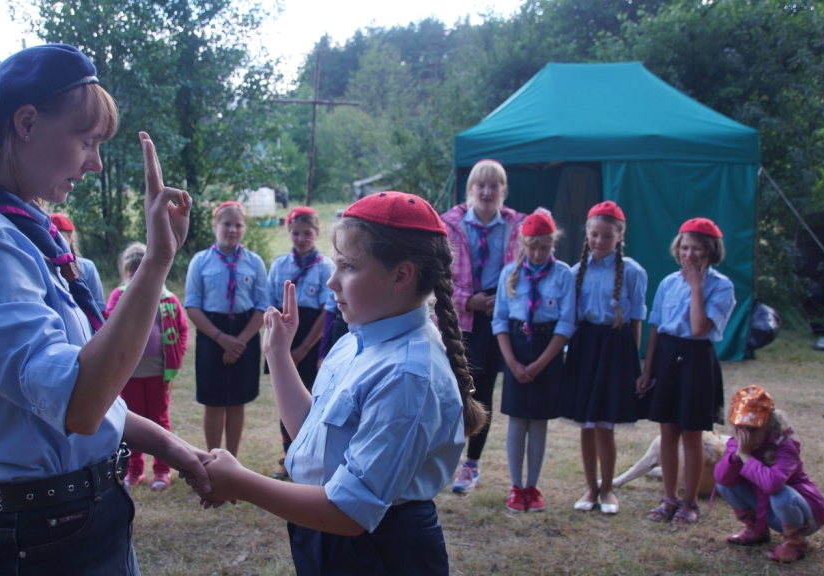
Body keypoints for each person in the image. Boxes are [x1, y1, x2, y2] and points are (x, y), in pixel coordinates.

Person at [0, 43, 211, 574]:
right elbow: (78, 403)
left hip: (75, 518)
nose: (95, 162)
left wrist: (171, 447)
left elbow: (73, 398)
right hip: (42, 538)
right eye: (85, 141)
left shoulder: (25, 235)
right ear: (26, 123)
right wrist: (158, 260)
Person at [190, 191, 488, 575]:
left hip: (378, 550)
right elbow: (313, 435)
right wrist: (278, 355)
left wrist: (242, 483)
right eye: (335, 264)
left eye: (348, 266)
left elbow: (350, 511)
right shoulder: (357, 339)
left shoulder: (408, 377)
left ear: (400, 275)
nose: (332, 281)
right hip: (330, 529)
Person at [637, 217, 736, 524]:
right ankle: (669, 498)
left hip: (697, 358)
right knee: (667, 430)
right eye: (684, 248)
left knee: (692, 433)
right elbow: (655, 329)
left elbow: (698, 328)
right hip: (667, 356)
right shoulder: (668, 283)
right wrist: (647, 370)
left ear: (710, 251)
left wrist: (696, 288)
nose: (689, 255)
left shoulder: (722, 286)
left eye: (697, 249)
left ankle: (689, 502)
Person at [441, 159, 526, 495]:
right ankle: (439, 457)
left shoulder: (517, 225)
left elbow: (526, 269)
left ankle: (471, 465)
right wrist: (468, 301)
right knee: (450, 389)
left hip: (497, 316)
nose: (487, 192)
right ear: (470, 189)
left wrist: (501, 301)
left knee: (483, 391)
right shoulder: (449, 224)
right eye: (481, 185)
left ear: (504, 190)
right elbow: (440, 275)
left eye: (494, 186)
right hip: (459, 317)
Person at [558, 201, 648, 514]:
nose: (600, 241)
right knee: (585, 422)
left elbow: (636, 320)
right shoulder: (575, 272)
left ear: (620, 236)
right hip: (585, 346)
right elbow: (569, 319)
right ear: (587, 233)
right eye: (595, 234)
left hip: (615, 348)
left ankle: (608, 488)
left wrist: (633, 364)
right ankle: (590, 487)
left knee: (605, 424)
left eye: (607, 235)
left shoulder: (633, 272)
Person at [493, 209, 576, 512]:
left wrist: (540, 364)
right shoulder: (509, 274)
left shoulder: (564, 275)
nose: (538, 253)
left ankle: (532, 486)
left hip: (547, 349)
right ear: (523, 244)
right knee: (517, 419)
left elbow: (566, 323)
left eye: (544, 247)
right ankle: (515, 486)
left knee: (539, 420)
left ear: (553, 243)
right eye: (532, 247)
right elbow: (500, 320)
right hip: (515, 347)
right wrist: (512, 363)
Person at [184, 201, 269, 457]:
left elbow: (262, 306)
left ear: (244, 228)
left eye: (238, 225)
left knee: (237, 401)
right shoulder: (200, 261)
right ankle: (213, 459)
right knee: (214, 402)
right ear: (215, 225)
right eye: (226, 224)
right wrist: (222, 339)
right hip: (212, 334)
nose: (232, 230)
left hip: (245, 333)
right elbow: (192, 306)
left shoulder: (254, 262)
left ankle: (231, 460)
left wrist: (239, 342)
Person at [105, 242, 189, 491]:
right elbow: (108, 322)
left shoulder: (168, 298)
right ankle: (134, 470)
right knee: (131, 420)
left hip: (158, 372)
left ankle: (162, 470)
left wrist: (176, 355)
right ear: (126, 272)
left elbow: (183, 329)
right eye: (133, 271)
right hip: (128, 373)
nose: (138, 275)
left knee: (159, 418)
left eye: (142, 269)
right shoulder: (119, 296)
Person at [715, 386, 824, 563]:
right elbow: (722, 478)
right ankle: (756, 530)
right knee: (725, 484)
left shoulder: (785, 447)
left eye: (754, 429)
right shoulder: (736, 445)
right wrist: (737, 455)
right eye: (741, 428)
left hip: (804, 517)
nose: (747, 436)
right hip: (769, 512)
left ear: (771, 425)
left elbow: (772, 485)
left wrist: (746, 456)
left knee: (781, 494)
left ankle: (795, 543)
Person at [267, 206, 335, 480]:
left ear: (317, 233)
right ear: (289, 233)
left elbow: (327, 312)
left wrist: (304, 348)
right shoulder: (279, 265)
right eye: (296, 233)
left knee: (310, 400)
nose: (301, 238)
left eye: (308, 232)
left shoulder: (325, 267)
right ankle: (289, 455)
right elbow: (272, 303)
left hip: (312, 339)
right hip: (285, 333)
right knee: (285, 399)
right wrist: (279, 346)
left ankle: (310, 457)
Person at [50, 213, 107, 314]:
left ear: (70, 237)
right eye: (50, 238)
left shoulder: (87, 267)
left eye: (59, 238)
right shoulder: (42, 267)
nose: (54, 242)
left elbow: (99, 307)